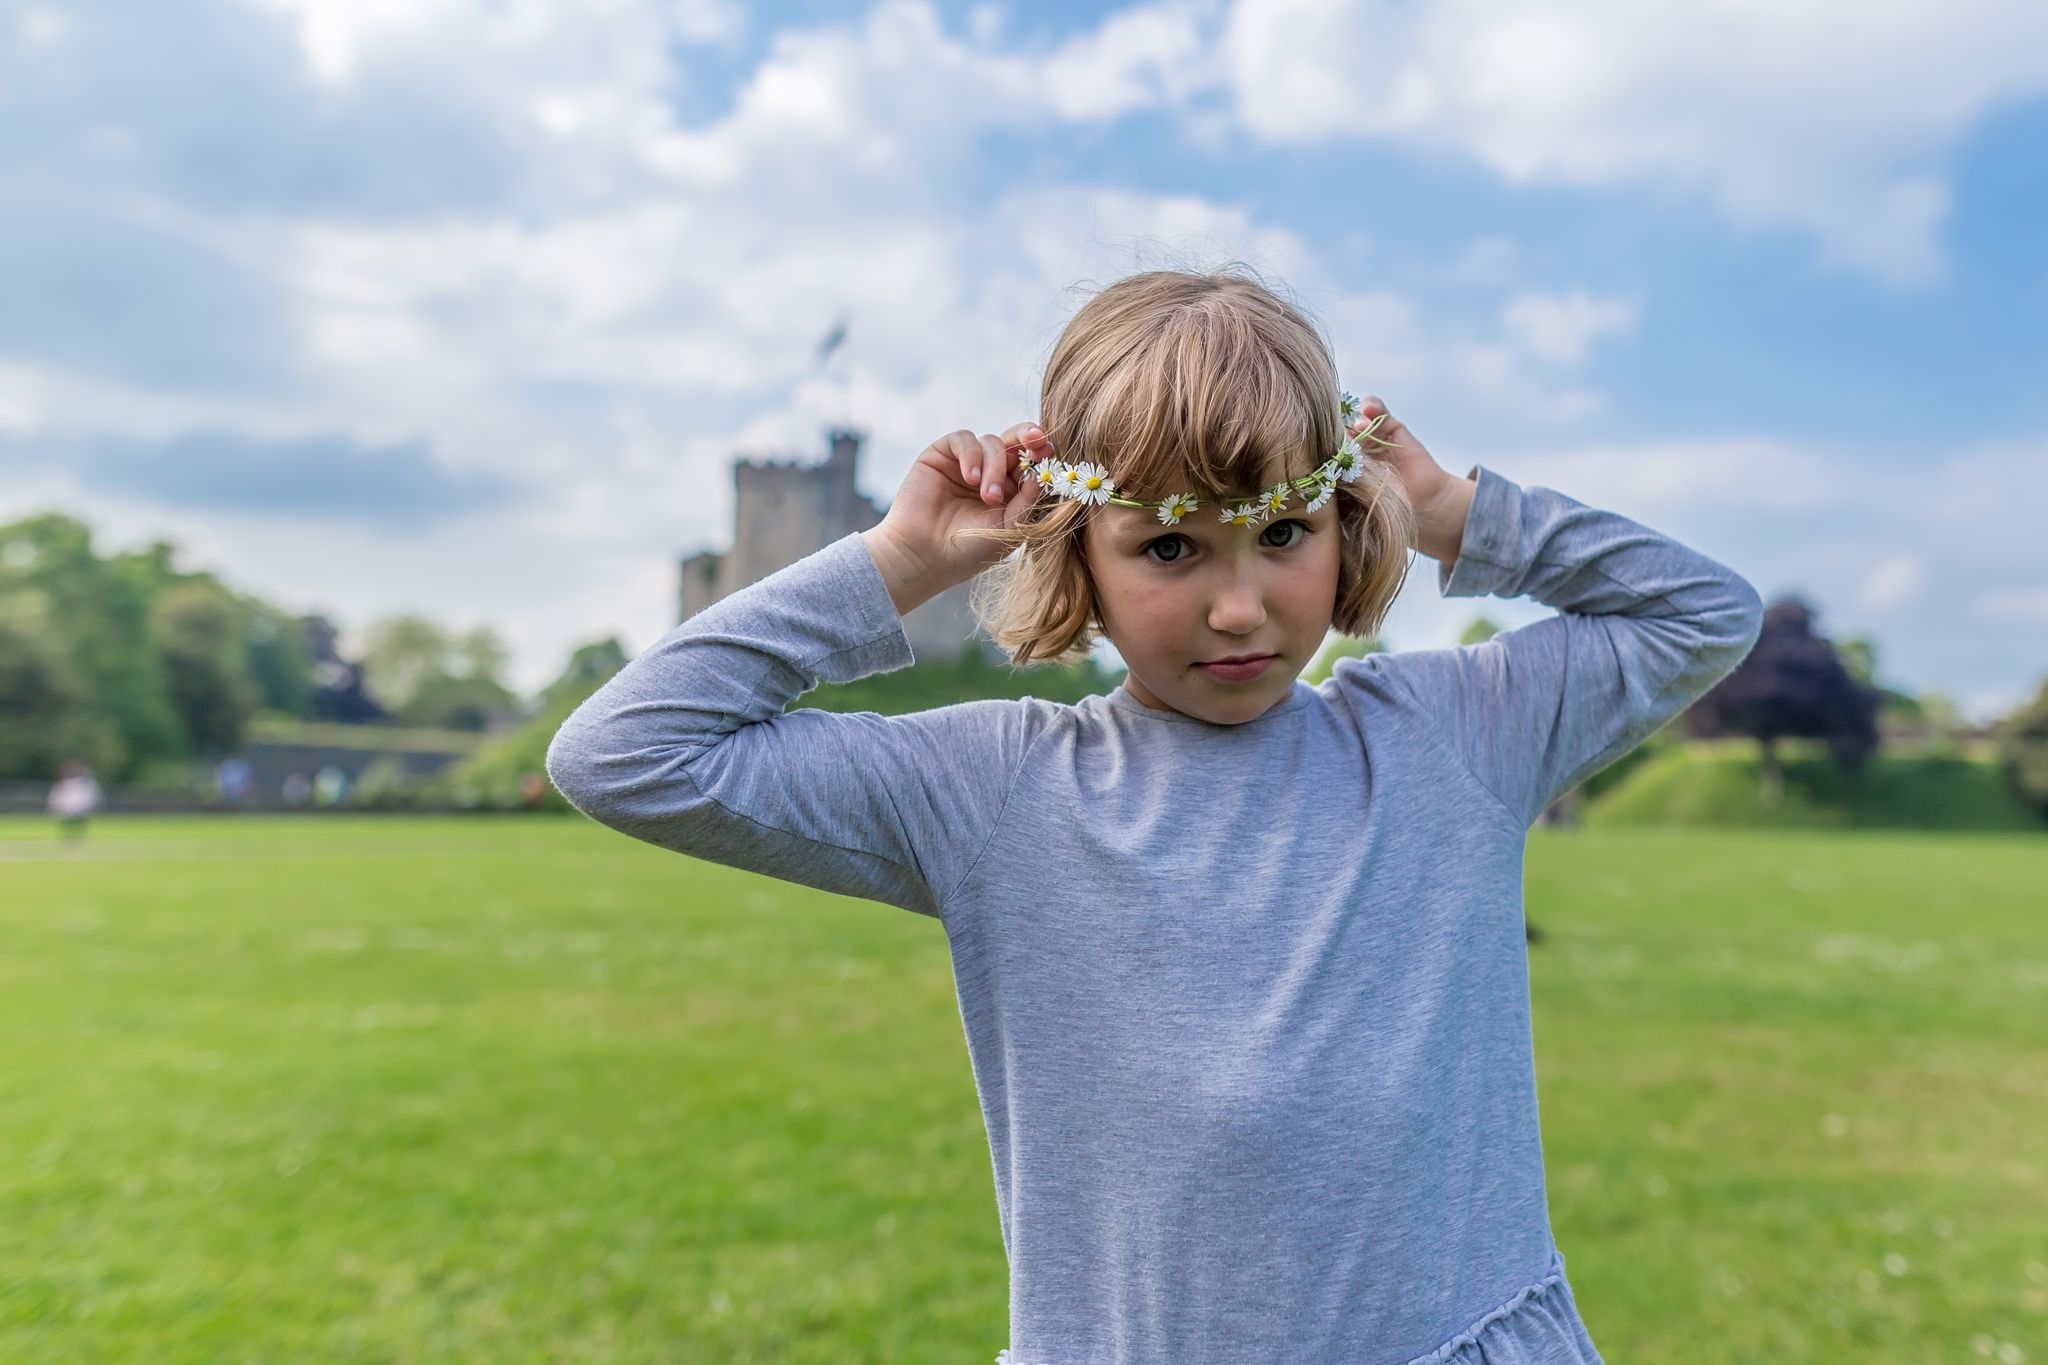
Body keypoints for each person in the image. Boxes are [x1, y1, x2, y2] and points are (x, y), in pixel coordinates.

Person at [546, 268, 1764, 1364]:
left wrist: (1449, 510)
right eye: (1169, 549)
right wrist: (899, 562)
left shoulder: (1451, 737)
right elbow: (625, 753)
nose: (1239, 608)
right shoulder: (995, 790)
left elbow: (1702, 614)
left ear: (1345, 524)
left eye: (1282, 533)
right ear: (1073, 558)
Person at [47, 759, 104, 840]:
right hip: (68, 811)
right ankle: (71, 836)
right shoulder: (66, 784)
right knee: (70, 824)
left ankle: (74, 836)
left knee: (76, 823)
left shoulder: (84, 784)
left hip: (79, 811)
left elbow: (91, 799)